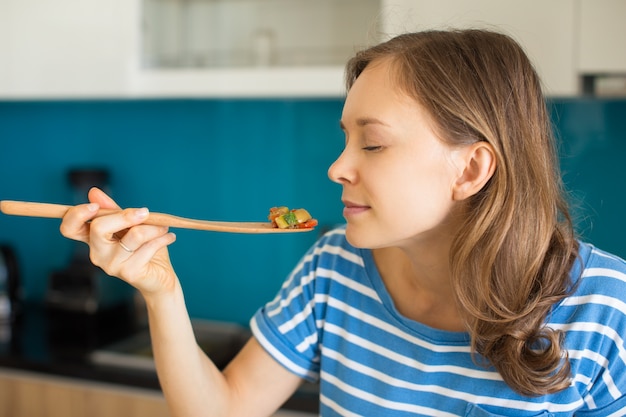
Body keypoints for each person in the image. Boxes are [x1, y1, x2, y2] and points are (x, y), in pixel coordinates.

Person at [59, 29, 626, 416]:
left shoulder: (606, 309)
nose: (336, 168)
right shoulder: (335, 267)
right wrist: (162, 292)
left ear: (472, 167)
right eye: (345, 138)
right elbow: (223, 408)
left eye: (373, 144)